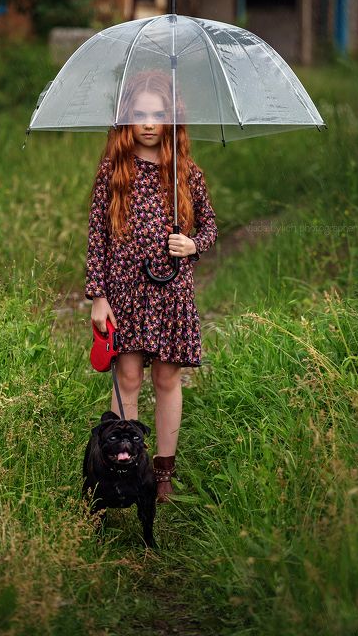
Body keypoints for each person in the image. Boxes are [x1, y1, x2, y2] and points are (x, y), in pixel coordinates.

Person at [85, 69, 218, 502]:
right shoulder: (113, 170)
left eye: (156, 113)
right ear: (126, 118)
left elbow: (212, 228)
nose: (146, 122)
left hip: (170, 292)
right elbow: (96, 236)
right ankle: (122, 465)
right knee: (127, 375)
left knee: (166, 377)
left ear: (171, 118)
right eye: (138, 113)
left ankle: (161, 473)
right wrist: (99, 296)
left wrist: (192, 243)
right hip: (123, 291)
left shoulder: (186, 173)